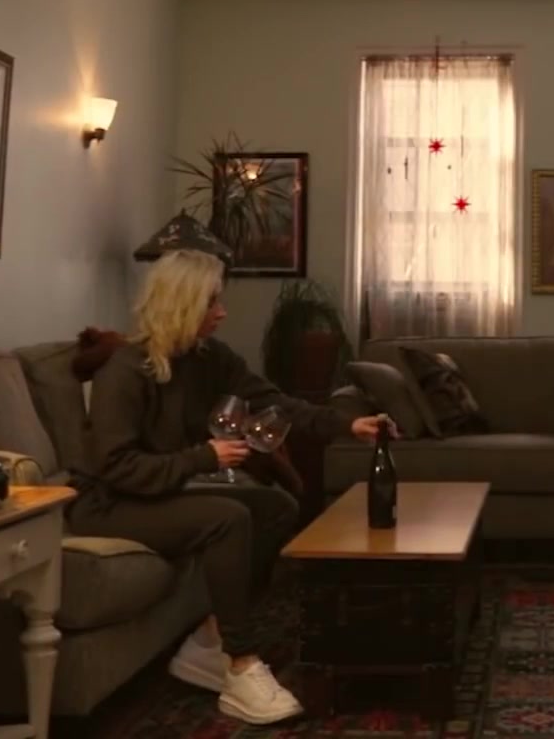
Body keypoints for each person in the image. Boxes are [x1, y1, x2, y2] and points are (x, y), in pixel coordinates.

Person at [67, 233, 390, 725]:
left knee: (277, 507)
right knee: (228, 517)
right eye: (212, 302)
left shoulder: (208, 358)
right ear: (182, 304)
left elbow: (274, 402)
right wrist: (205, 457)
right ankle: (240, 663)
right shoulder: (125, 370)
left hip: (162, 489)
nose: (221, 312)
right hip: (110, 503)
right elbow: (117, 468)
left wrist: (348, 425)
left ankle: (210, 638)